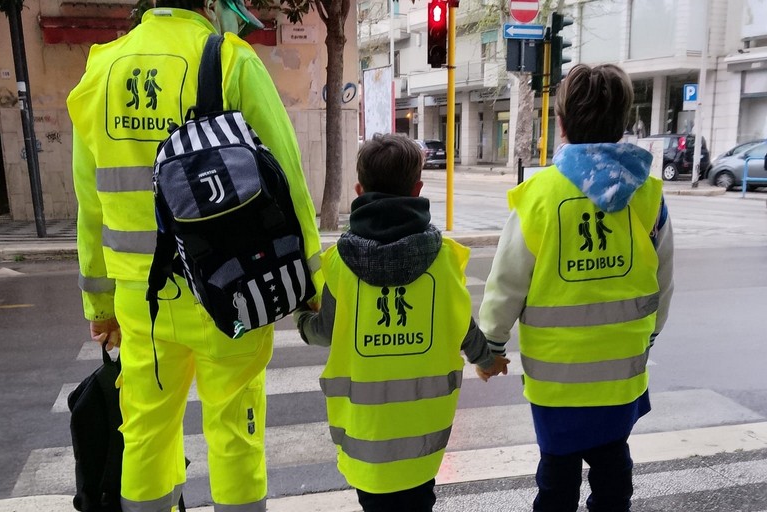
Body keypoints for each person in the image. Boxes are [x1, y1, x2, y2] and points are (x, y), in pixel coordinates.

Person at [66, 1, 322, 510]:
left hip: (142, 305)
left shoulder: (100, 71)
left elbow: (89, 202)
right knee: (234, 431)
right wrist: (310, 280)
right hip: (231, 287)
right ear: (209, 4)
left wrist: (99, 306)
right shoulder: (230, 60)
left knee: (145, 430)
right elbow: (286, 177)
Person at [479, 63, 674, 512]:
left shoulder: (540, 196)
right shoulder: (648, 196)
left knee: (557, 476)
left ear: (561, 124)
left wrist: (490, 347)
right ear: (624, 122)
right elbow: (663, 285)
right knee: (612, 471)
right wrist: (650, 335)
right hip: (621, 376)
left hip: (556, 381)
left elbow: (507, 281)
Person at [293, 133, 508, 512]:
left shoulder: (340, 264)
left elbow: (324, 331)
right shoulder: (443, 260)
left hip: (365, 435)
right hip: (423, 436)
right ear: (418, 188)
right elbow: (464, 327)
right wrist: (487, 360)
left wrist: (301, 318)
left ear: (360, 189)